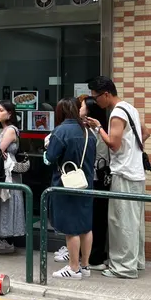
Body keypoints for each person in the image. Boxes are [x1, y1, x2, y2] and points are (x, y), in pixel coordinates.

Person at [87, 76, 151, 279]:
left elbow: (114, 145)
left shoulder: (116, 113)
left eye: (96, 97)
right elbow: (146, 133)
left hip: (124, 173)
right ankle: (135, 262)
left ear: (106, 94)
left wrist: (99, 128)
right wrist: (131, 151)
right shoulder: (130, 108)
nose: (96, 101)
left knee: (121, 222)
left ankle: (123, 268)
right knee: (134, 221)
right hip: (136, 172)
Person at [45, 97, 96, 280]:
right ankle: (85, 265)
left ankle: (73, 268)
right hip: (86, 183)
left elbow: (50, 158)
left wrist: (47, 148)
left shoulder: (61, 131)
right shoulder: (88, 131)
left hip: (66, 185)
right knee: (85, 227)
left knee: (71, 228)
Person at [0, 101, 24, 255]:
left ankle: (8, 241)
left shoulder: (10, 130)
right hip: (1, 171)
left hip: (9, 173)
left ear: (9, 114)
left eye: (1, 110)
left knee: (7, 202)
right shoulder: (2, 130)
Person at [80, 96, 110, 269]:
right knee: (98, 218)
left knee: (95, 219)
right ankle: (95, 255)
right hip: (101, 177)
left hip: (95, 178)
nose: (79, 109)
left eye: (82, 106)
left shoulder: (93, 132)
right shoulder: (100, 129)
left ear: (89, 112)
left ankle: (94, 257)